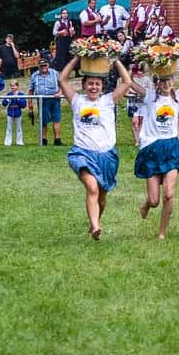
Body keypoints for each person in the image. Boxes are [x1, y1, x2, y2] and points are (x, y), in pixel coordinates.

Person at [60, 55, 134, 240]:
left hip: (107, 155)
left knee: (101, 196)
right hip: (82, 153)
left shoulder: (109, 100)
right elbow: (62, 80)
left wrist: (115, 60)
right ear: (84, 85)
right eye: (90, 84)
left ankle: (95, 222)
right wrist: (76, 59)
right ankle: (95, 226)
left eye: (97, 84)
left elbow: (127, 81)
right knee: (92, 188)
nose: (93, 87)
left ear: (102, 87)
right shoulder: (77, 100)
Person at [134, 58, 179, 239]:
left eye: (168, 80)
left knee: (169, 194)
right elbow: (128, 82)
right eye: (162, 81)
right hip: (151, 149)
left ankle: (161, 233)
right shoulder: (149, 97)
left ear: (173, 81)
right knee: (155, 200)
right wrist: (129, 60)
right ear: (157, 83)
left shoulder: (177, 97)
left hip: (171, 147)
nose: (165, 84)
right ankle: (147, 203)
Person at [29, 60, 63, 146]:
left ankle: (57, 140)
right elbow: (31, 89)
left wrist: (59, 93)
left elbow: (62, 84)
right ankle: (43, 140)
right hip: (42, 100)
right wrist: (30, 103)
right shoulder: (34, 75)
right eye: (41, 66)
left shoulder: (55, 73)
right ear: (38, 66)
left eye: (45, 65)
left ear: (48, 65)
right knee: (43, 120)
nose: (43, 67)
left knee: (56, 119)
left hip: (55, 99)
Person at [1, 80, 27, 146]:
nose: (13, 87)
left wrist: (18, 99)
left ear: (17, 86)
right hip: (10, 113)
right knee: (9, 128)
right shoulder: (9, 94)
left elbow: (24, 105)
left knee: (19, 128)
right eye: (12, 86)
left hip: (18, 112)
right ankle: (8, 142)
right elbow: (3, 104)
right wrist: (7, 100)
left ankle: (19, 142)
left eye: (14, 86)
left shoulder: (21, 94)